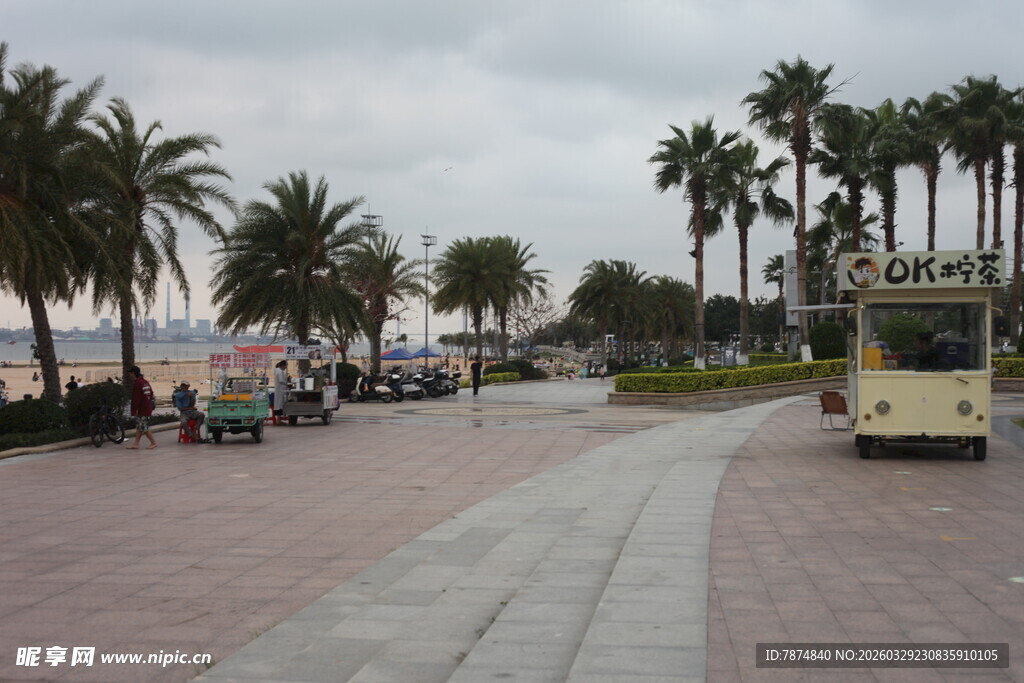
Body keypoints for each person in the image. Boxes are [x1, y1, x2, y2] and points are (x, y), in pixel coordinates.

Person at [126, 365, 157, 450]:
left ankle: (153, 442)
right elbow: (151, 393)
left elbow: (136, 399)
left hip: (142, 409)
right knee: (139, 427)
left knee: (143, 426)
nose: (129, 375)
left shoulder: (137, 384)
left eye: (130, 373)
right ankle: (136, 444)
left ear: (133, 373)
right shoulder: (145, 382)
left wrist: (133, 411)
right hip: (147, 407)